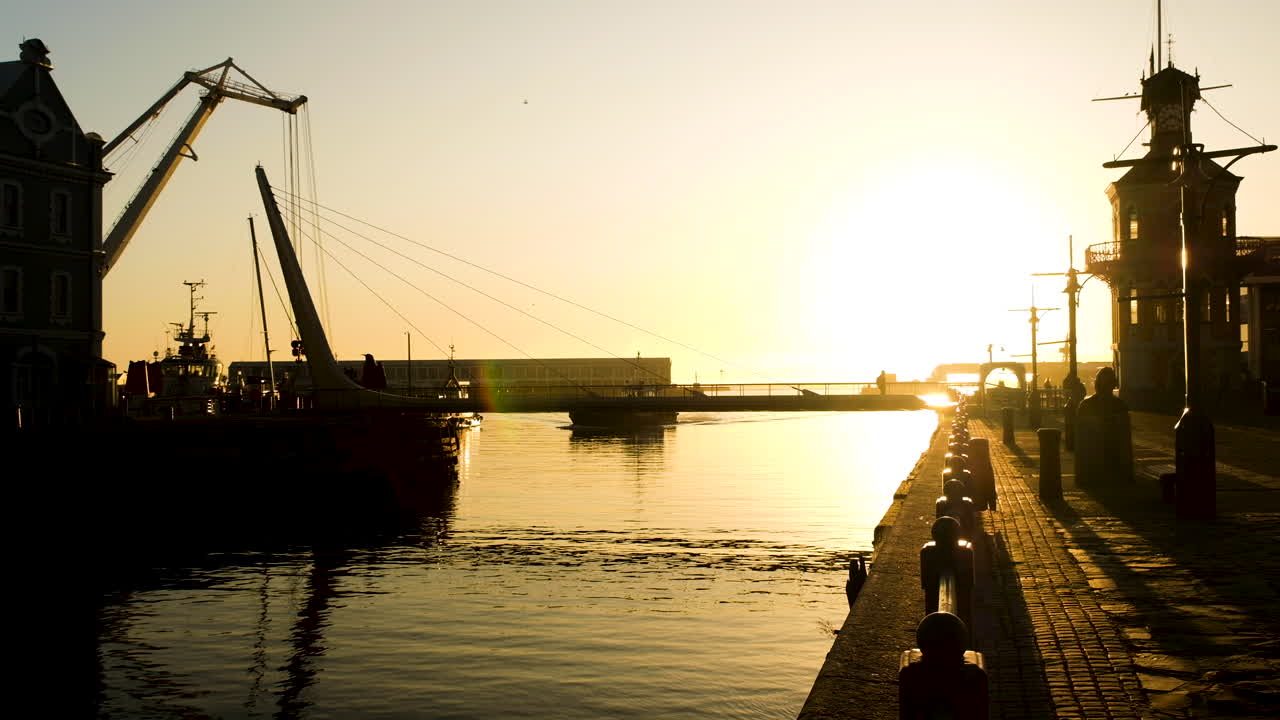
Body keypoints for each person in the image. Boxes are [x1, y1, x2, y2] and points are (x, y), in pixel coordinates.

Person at [1075, 367, 1133, 485]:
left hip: (1092, 469)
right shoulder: (1120, 406)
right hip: (1115, 469)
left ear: (1096, 384)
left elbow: (1081, 440)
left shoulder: (1085, 405)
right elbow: (1125, 441)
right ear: (1113, 385)